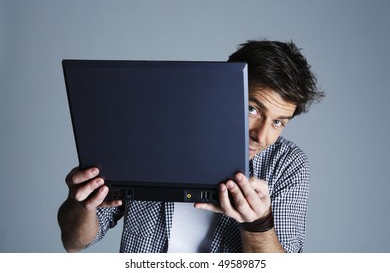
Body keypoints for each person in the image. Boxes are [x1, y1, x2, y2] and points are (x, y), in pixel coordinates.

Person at [57, 40, 324, 253]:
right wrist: (81, 203)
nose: (261, 136)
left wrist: (258, 223)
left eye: (278, 122)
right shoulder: (147, 139)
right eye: (252, 109)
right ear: (224, 90)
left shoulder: (288, 164)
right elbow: (74, 242)